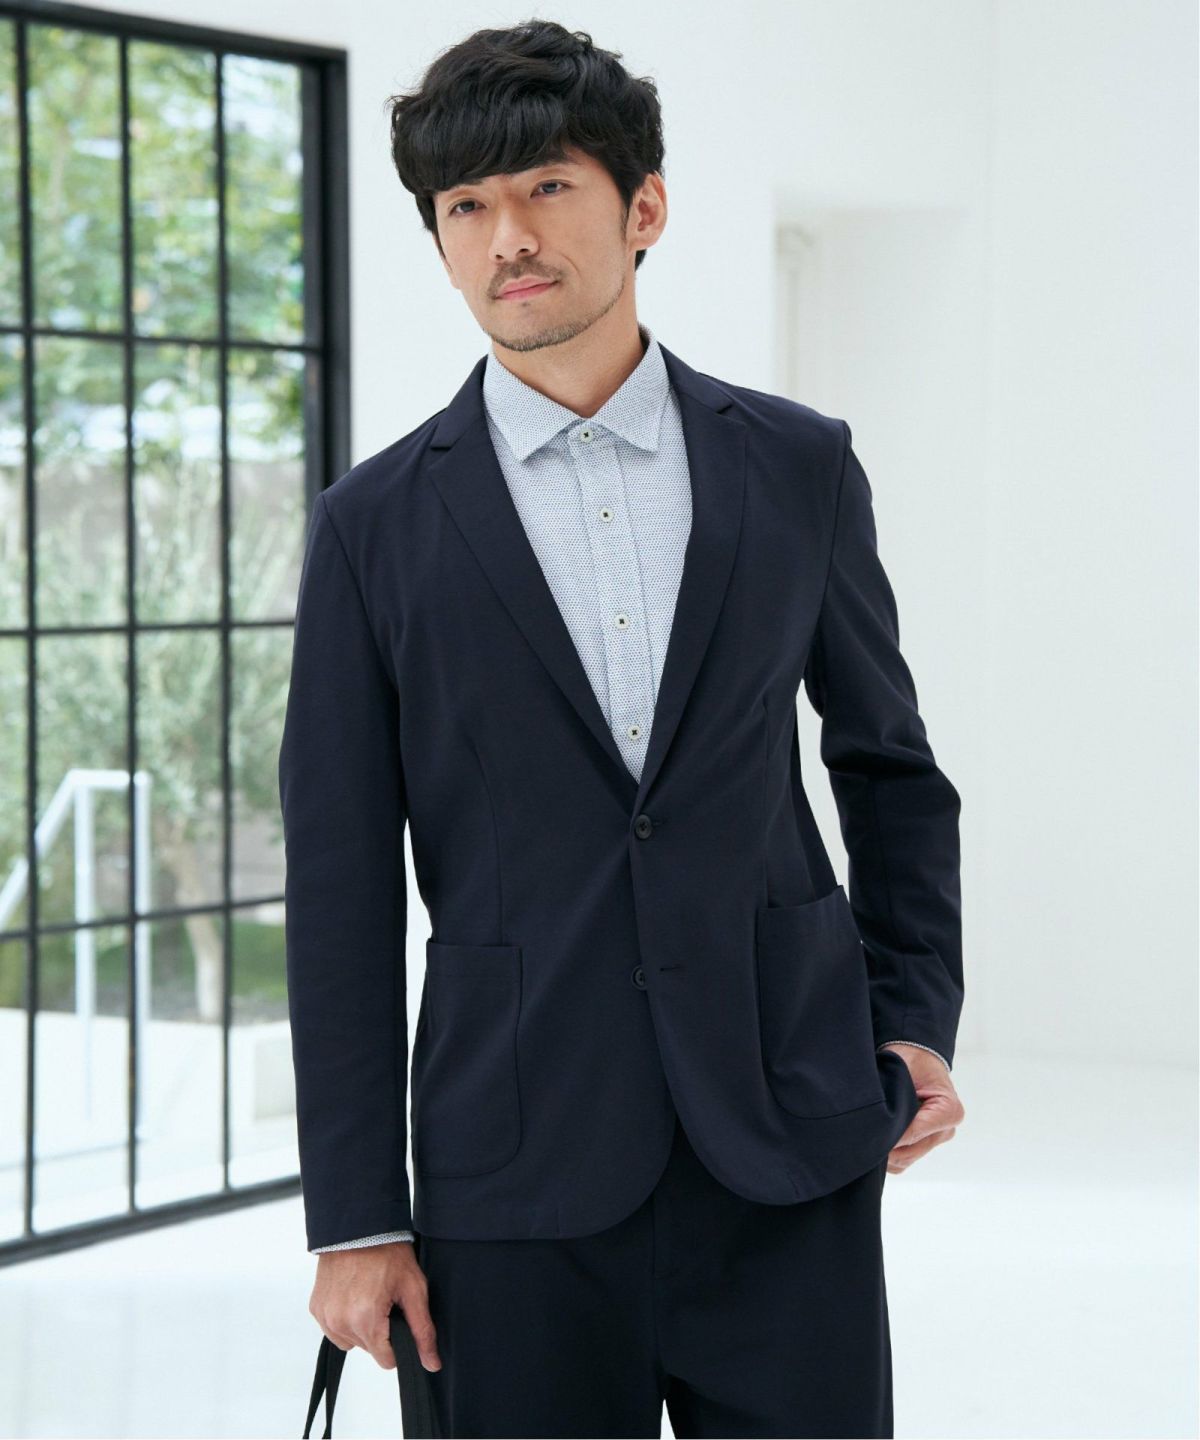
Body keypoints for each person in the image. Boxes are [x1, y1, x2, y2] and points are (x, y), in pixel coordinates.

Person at [278, 19, 966, 1438]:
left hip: (787, 1138)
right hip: (509, 1175)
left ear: (643, 206)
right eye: (466, 207)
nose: (509, 239)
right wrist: (355, 1216)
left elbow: (890, 767)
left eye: (547, 187)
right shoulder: (372, 527)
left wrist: (913, 1023)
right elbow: (337, 884)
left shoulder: (797, 465)